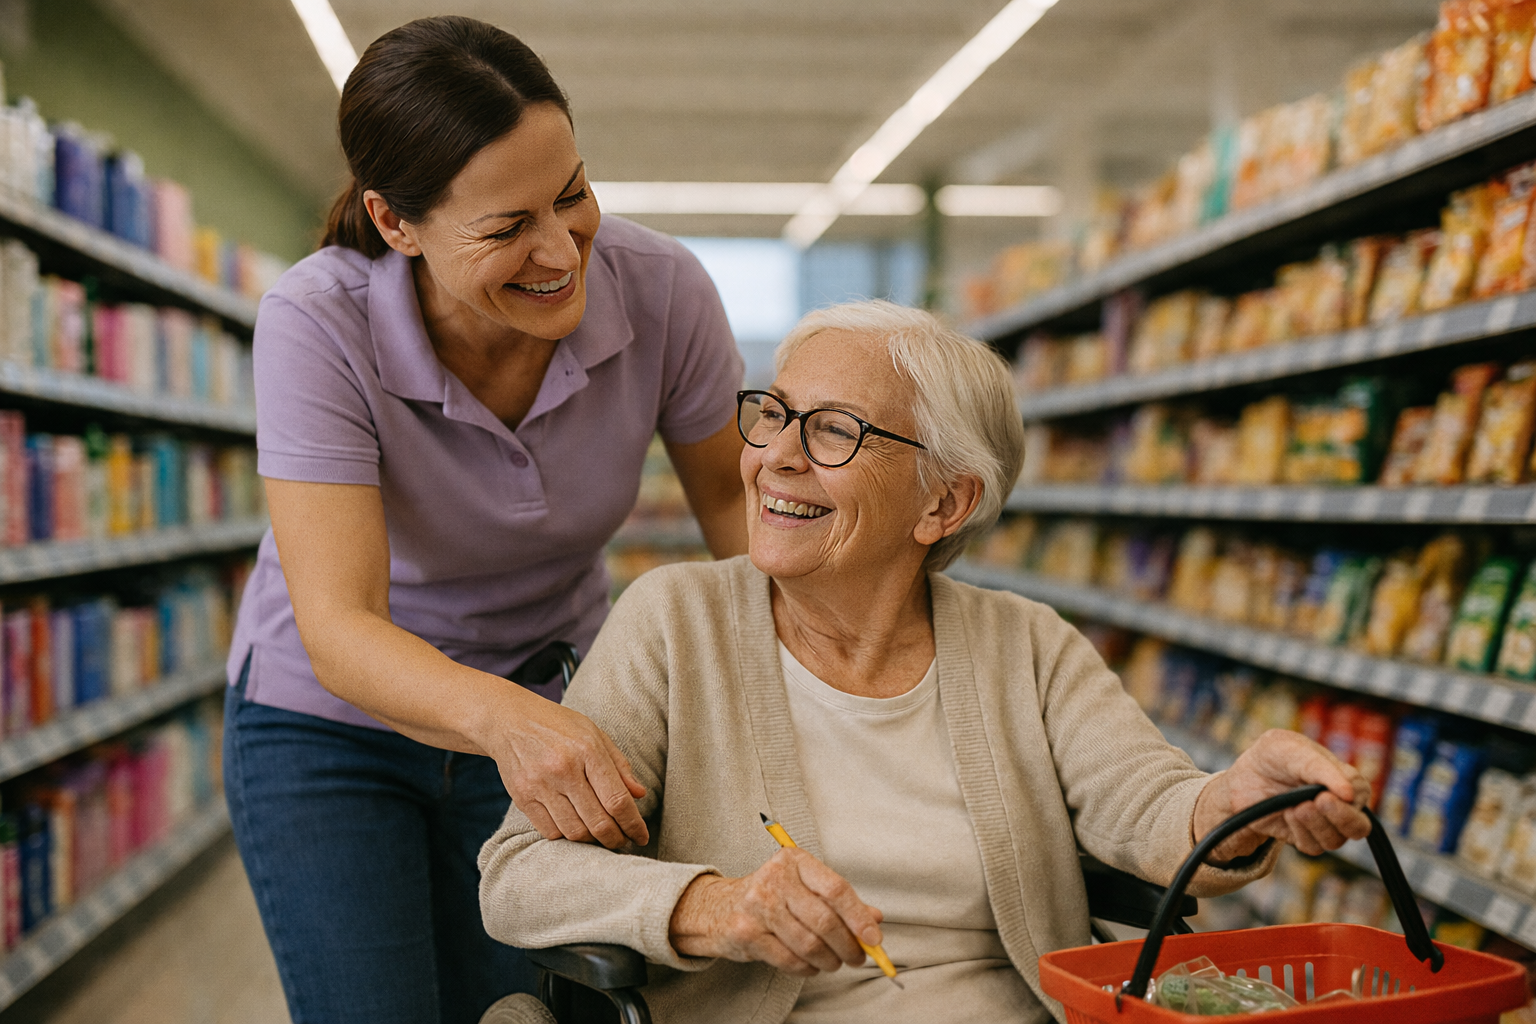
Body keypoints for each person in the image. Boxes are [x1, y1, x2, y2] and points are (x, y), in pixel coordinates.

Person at [477, 300, 1371, 1024]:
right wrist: (713, 907)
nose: (775, 458)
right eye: (774, 414)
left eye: (832, 432)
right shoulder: (677, 623)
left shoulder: (1027, 646)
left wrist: (1238, 804)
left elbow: (1150, 807)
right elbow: (523, 876)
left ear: (944, 502)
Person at [223, 16, 747, 1024]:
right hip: (332, 730)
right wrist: (508, 720)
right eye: (508, 228)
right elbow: (340, 625)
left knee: (518, 1012)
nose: (561, 250)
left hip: (549, 700)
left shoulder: (663, 289)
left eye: (573, 194)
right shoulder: (317, 323)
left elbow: (729, 500)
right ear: (396, 222)